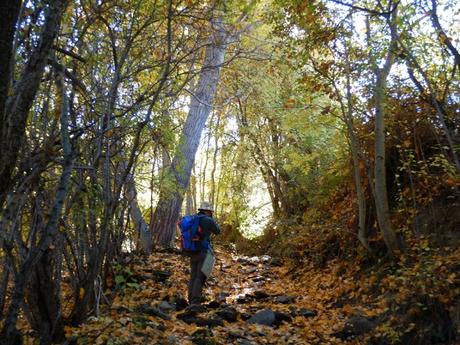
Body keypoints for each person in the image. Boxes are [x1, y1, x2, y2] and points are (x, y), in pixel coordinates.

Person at [188, 201, 220, 305]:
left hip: (192, 250)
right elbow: (218, 231)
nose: (211, 213)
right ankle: (195, 301)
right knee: (200, 276)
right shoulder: (208, 220)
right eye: (211, 211)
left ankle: (190, 297)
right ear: (208, 211)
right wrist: (212, 220)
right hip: (203, 250)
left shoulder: (193, 218)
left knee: (193, 275)